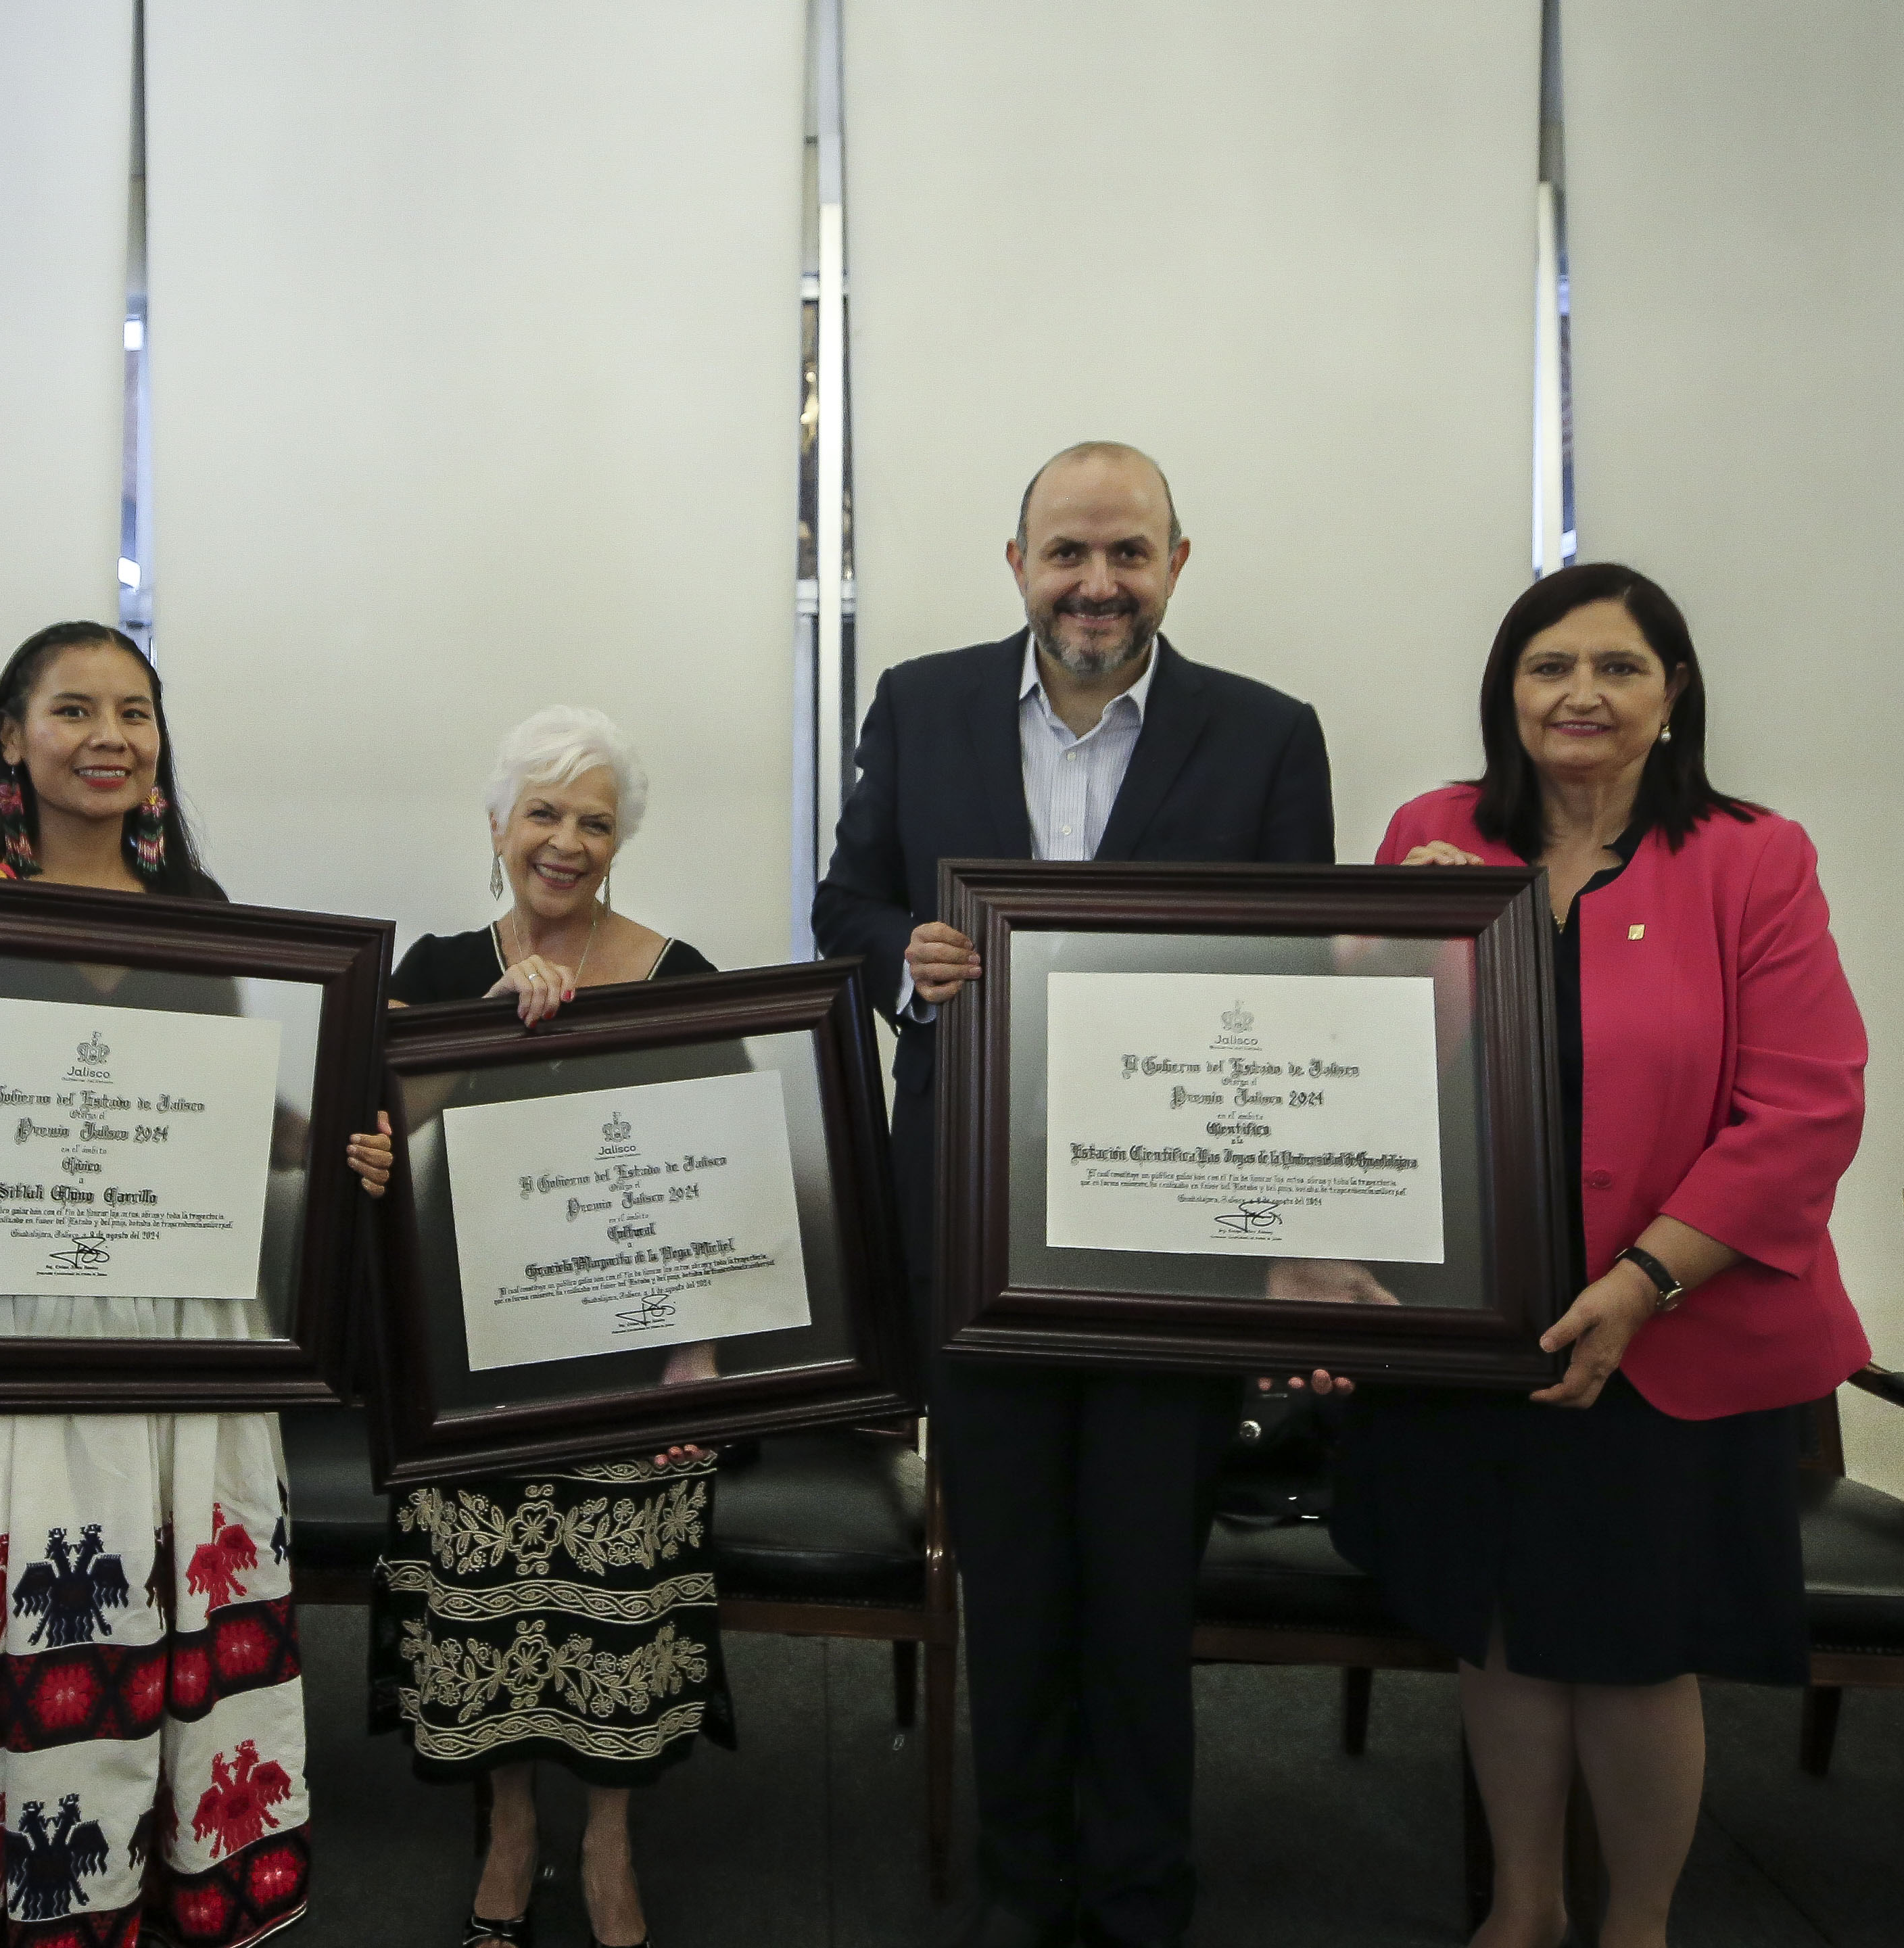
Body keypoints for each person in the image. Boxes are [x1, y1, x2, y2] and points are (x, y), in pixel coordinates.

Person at [812, 442, 1334, 1948]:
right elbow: (844, 904)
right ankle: (1022, 1894)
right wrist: (904, 958)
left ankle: (1141, 1897)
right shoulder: (918, 703)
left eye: (1126, 553)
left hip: (1176, 1238)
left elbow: (1302, 971)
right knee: (1015, 1586)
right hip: (972, 1223)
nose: (1095, 584)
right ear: (1017, 564)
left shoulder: (1268, 734)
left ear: (1176, 562)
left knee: (1142, 1592)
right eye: (1067, 553)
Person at [0, 621, 376, 1948]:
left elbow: (205, 1121)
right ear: (12, 735)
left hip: (169, 1330)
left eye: (135, 710)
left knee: (157, 1606)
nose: (109, 736)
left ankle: (148, 1893)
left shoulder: (200, 912)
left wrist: (326, 1134)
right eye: (73, 709)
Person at [1327, 563, 1869, 1948]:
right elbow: (1357, 1075)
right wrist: (1391, 946)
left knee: (1632, 1653)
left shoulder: (1752, 856)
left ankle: (1635, 1926)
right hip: (1479, 1328)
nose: (1581, 693)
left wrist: (1641, 1285)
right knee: (1502, 1631)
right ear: (1505, 689)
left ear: (1671, 691)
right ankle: (1522, 1907)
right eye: (1549, 665)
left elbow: (1805, 1108)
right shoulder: (1431, 833)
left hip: (1671, 1330)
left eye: (1618, 666)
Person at [359, 705, 725, 1948]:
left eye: (595, 822)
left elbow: (721, 1184)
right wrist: (481, 1020)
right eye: (543, 813)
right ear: (497, 826)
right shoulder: (433, 971)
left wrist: (697, 1358)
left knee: (619, 1601)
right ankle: (510, 1830)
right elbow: (379, 1145)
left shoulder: (681, 976)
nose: (566, 842)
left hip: (633, 1357)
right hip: (470, 1362)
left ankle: (609, 1839)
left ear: (619, 843)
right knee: (483, 1608)